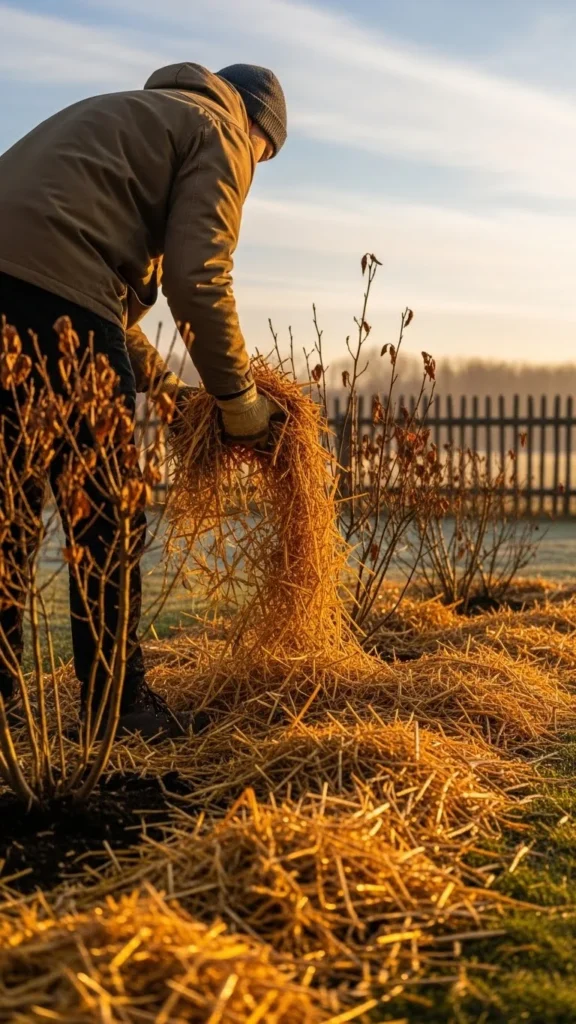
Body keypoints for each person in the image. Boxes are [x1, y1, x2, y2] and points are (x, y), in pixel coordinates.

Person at [0, 61, 287, 738]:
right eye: (264, 154)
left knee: (8, 511)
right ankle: (117, 707)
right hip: (52, 297)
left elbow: (100, 294)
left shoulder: (124, 115)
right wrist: (237, 398)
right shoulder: (219, 131)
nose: (255, 166)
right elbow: (199, 278)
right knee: (106, 508)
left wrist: (164, 389)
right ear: (255, 125)